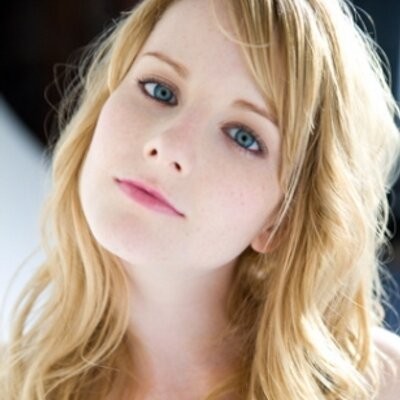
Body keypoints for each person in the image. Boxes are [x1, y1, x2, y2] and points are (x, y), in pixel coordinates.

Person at [1, 0, 400, 398]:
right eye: (160, 91)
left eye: (243, 136)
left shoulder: (379, 385)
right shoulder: (17, 384)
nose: (169, 145)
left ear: (282, 219)